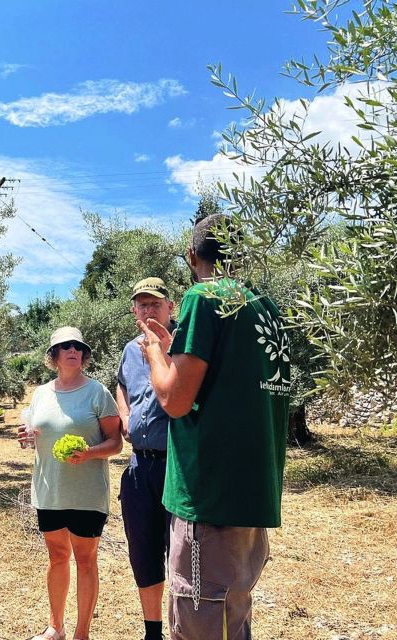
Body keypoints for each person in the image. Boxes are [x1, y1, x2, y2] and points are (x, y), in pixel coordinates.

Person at [138, 214, 290, 640]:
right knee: (232, 620)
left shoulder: (204, 297)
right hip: (250, 498)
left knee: (201, 624)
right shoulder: (266, 309)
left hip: (208, 503)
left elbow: (175, 400)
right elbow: (228, 383)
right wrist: (179, 351)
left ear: (192, 256)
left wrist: (155, 353)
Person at [19, 326, 123, 640]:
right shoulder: (41, 394)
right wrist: (27, 438)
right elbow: (34, 436)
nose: (73, 351)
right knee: (57, 556)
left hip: (86, 494)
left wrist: (89, 453)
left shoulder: (97, 392)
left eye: (78, 347)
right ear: (54, 355)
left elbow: (116, 442)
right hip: (49, 490)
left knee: (86, 560)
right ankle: (56, 627)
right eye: (65, 347)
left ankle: (82, 633)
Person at [115, 277, 176, 640]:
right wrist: (124, 414)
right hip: (139, 466)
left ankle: (184, 628)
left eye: (156, 303)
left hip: (177, 466)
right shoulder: (129, 349)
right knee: (143, 552)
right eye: (143, 305)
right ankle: (153, 632)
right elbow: (121, 384)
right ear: (134, 311)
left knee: (182, 554)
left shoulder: (184, 344)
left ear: (171, 307)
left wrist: (163, 352)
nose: (149, 310)